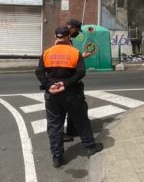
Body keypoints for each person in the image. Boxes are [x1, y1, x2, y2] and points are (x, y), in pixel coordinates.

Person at [35, 26, 103, 168]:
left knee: (54, 125)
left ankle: (57, 156)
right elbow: (81, 72)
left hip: (52, 94)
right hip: (72, 93)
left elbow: (39, 72)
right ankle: (90, 147)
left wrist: (49, 85)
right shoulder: (74, 52)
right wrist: (66, 84)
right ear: (67, 37)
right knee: (81, 120)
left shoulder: (47, 52)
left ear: (56, 37)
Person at [62, 18, 91, 142]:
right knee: (67, 108)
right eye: (77, 30)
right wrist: (81, 57)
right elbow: (69, 60)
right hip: (67, 79)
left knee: (71, 107)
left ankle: (71, 130)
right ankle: (88, 142)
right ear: (71, 28)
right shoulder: (65, 41)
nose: (78, 32)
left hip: (68, 79)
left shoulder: (68, 40)